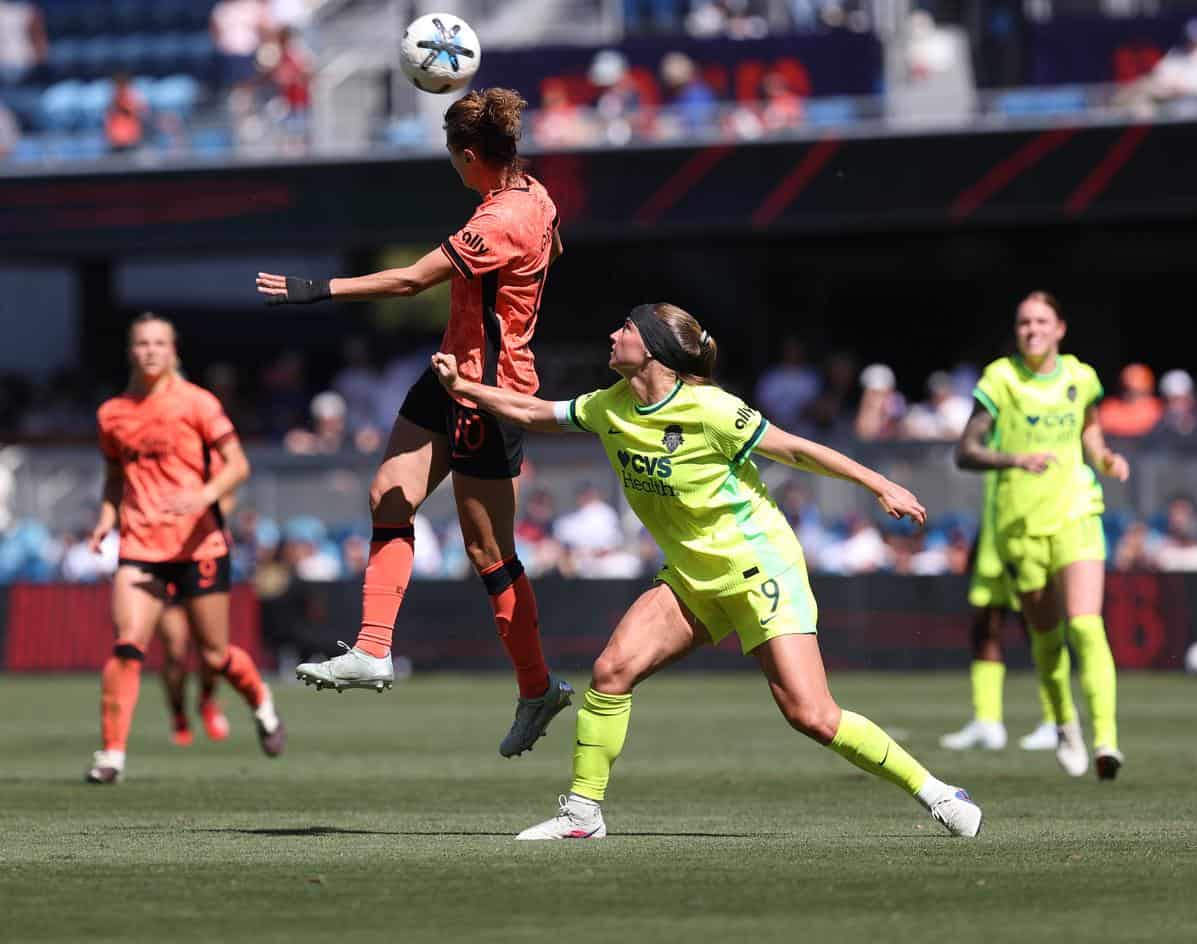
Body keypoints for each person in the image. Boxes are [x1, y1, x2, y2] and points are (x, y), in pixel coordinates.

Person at [428, 303, 981, 839]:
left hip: (760, 569)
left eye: (625, 328)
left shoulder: (711, 409)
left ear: (652, 350)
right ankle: (582, 814)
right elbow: (533, 412)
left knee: (812, 715)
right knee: (612, 671)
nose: (613, 335)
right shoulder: (609, 405)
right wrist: (463, 387)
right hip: (692, 578)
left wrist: (879, 484)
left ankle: (938, 793)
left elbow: (795, 451)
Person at [256, 88, 572, 757]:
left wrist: (317, 290)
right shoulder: (534, 194)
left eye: (453, 157)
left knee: (489, 552)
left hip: (486, 390)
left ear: (469, 156)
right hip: (449, 372)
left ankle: (537, 687)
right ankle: (373, 650)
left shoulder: (502, 220)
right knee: (388, 496)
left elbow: (409, 281)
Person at [84, 315, 284, 783]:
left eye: (159, 343)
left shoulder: (198, 403)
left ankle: (261, 702)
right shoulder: (112, 413)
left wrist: (204, 495)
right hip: (140, 545)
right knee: (128, 646)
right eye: (142, 343)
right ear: (131, 351)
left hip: (199, 546)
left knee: (214, 655)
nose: (150, 350)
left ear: (173, 351)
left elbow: (238, 465)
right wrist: (106, 518)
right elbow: (114, 478)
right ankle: (111, 755)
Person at [954, 291, 1129, 780]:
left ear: (1060, 329)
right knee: (1047, 639)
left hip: (1076, 511)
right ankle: (1064, 724)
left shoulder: (1080, 377)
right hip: (1021, 525)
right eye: (1024, 323)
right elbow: (965, 451)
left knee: (1086, 626)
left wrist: (1106, 459)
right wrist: (1014, 458)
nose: (1032, 330)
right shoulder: (1001, 379)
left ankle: (1107, 741)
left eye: (1041, 321)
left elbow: (1089, 432)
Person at [938, 472, 1059, 754]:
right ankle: (987, 721)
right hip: (992, 549)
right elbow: (995, 502)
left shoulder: (1030, 449)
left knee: (1038, 632)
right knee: (983, 631)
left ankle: (1056, 719)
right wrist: (978, 544)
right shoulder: (995, 449)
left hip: (1025, 547)